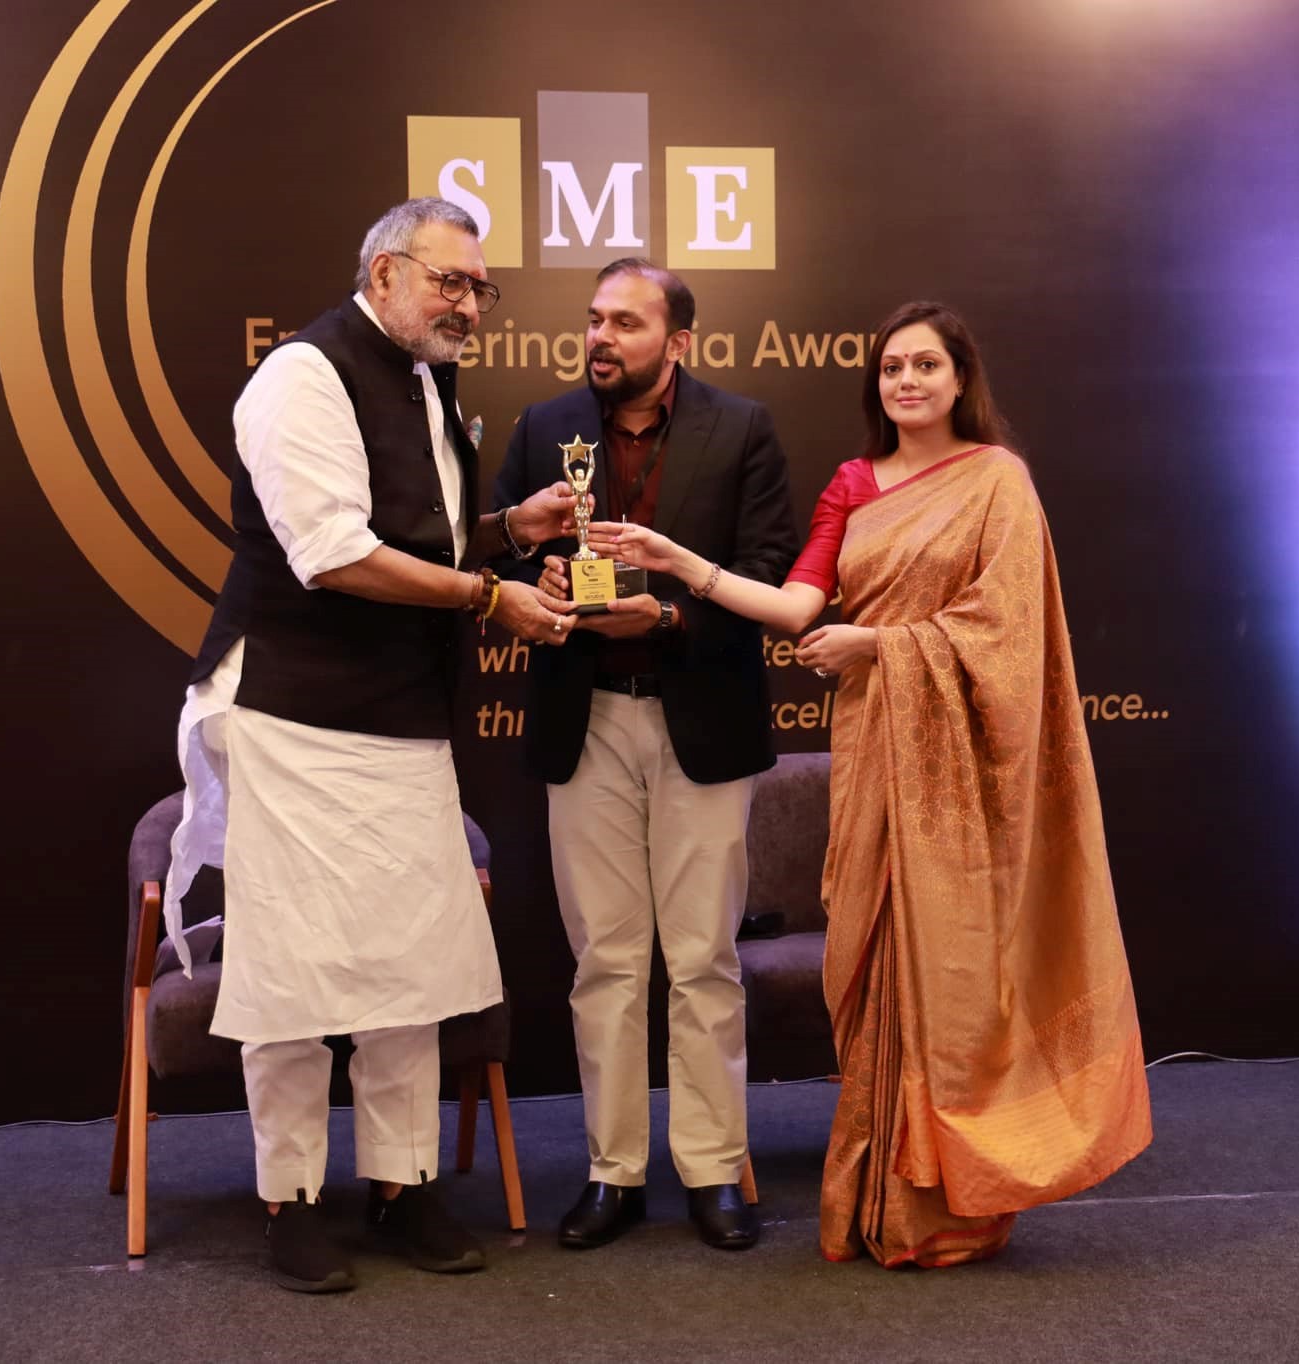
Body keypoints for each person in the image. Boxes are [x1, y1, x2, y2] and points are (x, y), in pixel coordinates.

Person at [590, 300, 1152, 1267]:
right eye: (892, 369)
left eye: (926, 366)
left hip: (960, 776)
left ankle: (958, 1193)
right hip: (876, 757)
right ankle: (888, 1186)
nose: (907, 383)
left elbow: (1007, 639)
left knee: (958, 973)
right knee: (873, 961)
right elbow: (796, 605)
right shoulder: (853, 484)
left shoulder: (997, 484)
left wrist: (881, 645)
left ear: (961, 378)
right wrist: (678, 563)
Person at [163, 198, 579, 1294]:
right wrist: (491, 593)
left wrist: (503, 533)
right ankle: (289, 1198)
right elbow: (333, 554)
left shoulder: (427, 382)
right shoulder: (301, 374)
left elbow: (414, 544)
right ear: (385, 272)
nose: (469, 306)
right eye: (451, 282)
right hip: (292, 714)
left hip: (400, 721)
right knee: (295, 977)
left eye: (480, 288)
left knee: (409, 970)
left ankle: (402, 1184)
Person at [491, 259, 799, 1252]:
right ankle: (611, 1170)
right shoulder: (544, 426)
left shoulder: (741, 426)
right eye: (593, 320)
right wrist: (529, 588)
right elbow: (494, 555)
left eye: (624, 321)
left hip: (697, 715)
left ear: (678, 340)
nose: (601, 337)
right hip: (584, 717)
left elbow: (764, 575)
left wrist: (663, 612)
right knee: (605, 960)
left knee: (703, 956)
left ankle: (712, 1168)